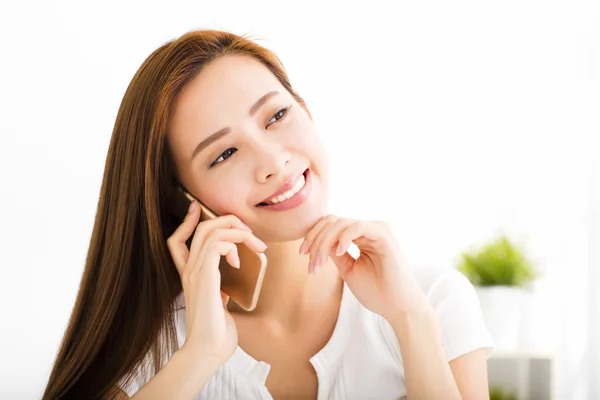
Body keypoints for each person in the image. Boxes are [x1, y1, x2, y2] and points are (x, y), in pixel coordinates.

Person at [42, 29, 494, 400]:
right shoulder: (159, 344)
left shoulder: (431, 300)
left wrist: (411, 322)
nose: (273, 162)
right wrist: (200, 354)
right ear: (185, 201)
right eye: (223, 155)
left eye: (276, 115)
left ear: (307, 112)